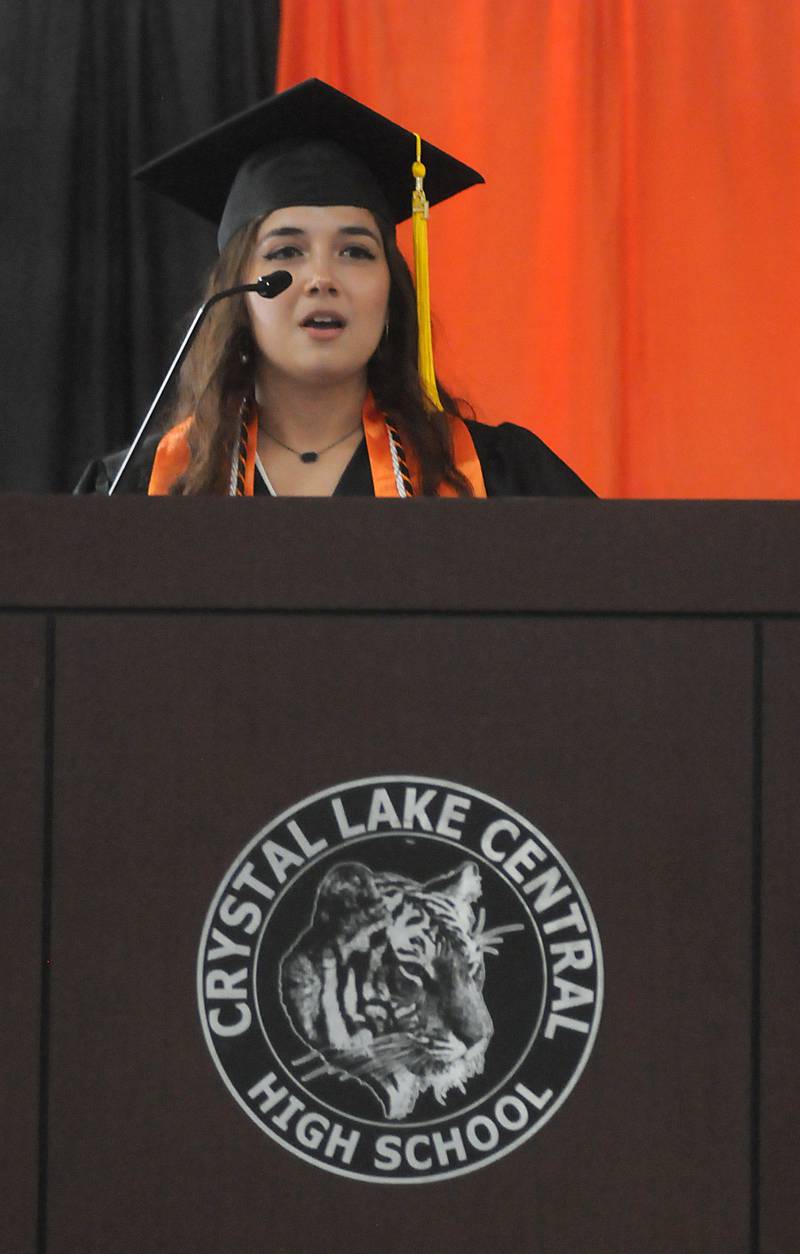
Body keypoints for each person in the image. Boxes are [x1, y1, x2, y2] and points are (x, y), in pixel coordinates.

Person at [76, 79, 593, 498]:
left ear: (392, 295)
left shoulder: (499, 479)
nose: (322, 278)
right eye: (285, 253)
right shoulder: (144, 489)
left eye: (355, 252)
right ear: (238, 295)